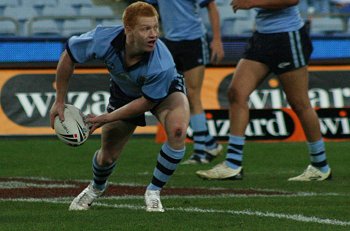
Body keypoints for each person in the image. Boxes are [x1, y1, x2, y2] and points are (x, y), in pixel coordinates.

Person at [49, 1, 190, 212]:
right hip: (124, 93)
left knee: (178, 131)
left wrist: (106, 117)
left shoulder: (163, 64)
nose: (154, 34)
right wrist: (59, 101)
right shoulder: (102, 39)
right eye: (146, 29)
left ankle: (154, 191)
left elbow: (146, 102)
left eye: (156, 27)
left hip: (166, 92)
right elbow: (69, 56)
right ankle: (96, 187)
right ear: (128, 30)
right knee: (106, 157)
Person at [196, 0, 332, 181]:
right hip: (262, 37)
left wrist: (251, 3)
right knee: (236, 93)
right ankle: (232, 164)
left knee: (299, 103)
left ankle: (320, 166)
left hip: (287, 37)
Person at [145, 0, 225, 165]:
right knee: (172, 95)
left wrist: (217, 39)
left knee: (193, 94)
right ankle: (209, 144)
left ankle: (201, 152)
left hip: (193, 41)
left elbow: (211, 6)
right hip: (170, 43)